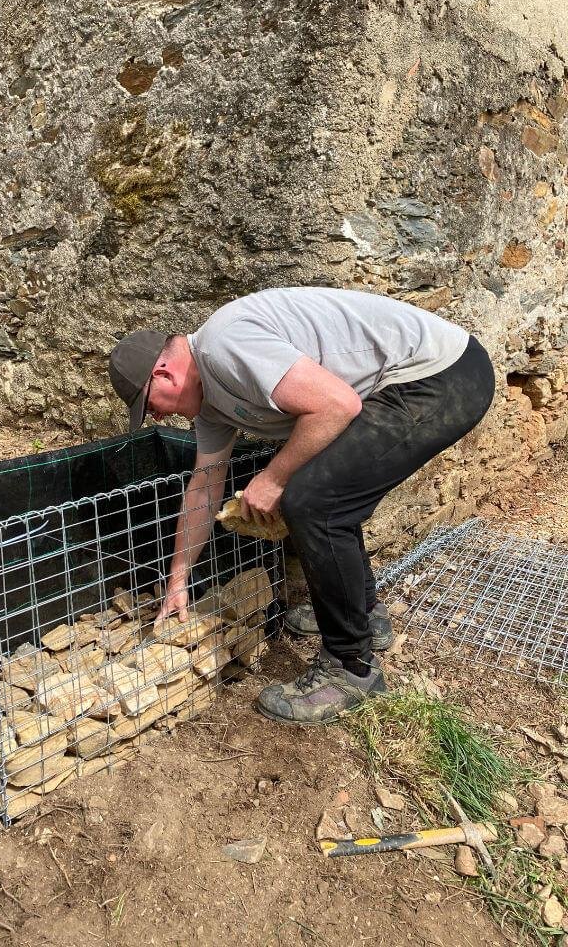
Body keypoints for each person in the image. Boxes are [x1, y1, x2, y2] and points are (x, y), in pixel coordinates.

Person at [108, 287, 495, 725]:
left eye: (148, 407)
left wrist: (272, 478)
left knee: (315, 502)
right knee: (323, 495)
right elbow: (203, 488)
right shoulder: (211, 406)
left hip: (440, 376)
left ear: (163, 373)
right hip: (413, 383)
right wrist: (178, 581)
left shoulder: (224, 346)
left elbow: (336, 405)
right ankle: (365, 614)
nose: (157, 419)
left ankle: (351, 669)